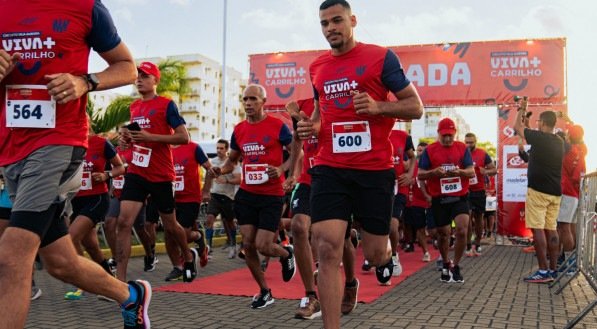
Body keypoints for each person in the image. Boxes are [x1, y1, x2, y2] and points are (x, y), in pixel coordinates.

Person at [0, 1, 152, 328]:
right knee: (60, 262)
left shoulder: (85, 7)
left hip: (59, 142)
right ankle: (131, 296)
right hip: (11, 149)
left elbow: (126, 66)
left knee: (12, 256)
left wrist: (85, 81)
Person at [295, 1, 423, 327]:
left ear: (352, 20)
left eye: (337, 21)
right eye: (324, 23)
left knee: (376, 253)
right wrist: (311, 127)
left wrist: (379, 107)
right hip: (329, 167)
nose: (330, 29)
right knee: (325, 246)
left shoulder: (381, 57)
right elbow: (320, 115)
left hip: (374, 170)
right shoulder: (317, 67)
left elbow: (415, 107)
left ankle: (385, 258)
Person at [115, 61, 200, 284]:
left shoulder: (166, 105)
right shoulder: (134, 107)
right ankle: (120, 282)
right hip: (137, 171)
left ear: (155, 80)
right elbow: (136, 139)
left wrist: (150, 137)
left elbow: (183, 137)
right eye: (137, 75)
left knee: (170, 226)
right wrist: (127, 141)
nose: (139, 79)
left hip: (161, 174)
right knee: (124, 222)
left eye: (145, 75)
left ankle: (188, 255)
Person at [216, 84, 296, 309]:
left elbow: (295, 152)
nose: (248, 103)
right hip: (247, 195)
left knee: (263, 245)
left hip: (271, 194)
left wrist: (281, 169)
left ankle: (284, 253)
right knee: (249, 245)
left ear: (263, 102)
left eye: (253, 99)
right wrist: (221, 169)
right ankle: (264, 291)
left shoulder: (277, 126)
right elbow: (232, 159)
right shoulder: (239, 129)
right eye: (245, 99)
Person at [65, 124, 125, 300]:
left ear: (87, 123)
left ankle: (81, 282)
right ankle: (111, 280)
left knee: (71, 236)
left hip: (96, 198)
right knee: (91, 245)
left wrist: (106, 176)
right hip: (74, 200)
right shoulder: (69, 143)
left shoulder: (101, 143)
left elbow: (121, 167)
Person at [417, 118, 475, 283]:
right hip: (439, 198)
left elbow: (471, 172)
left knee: (462, 229)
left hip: (459, 196)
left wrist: (459, 172)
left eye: (450, 135)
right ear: (438, 134)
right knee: (444, 234)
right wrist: (434, 172)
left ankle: (456, 266)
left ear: (455, 133)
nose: (448, 139)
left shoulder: (462, 148)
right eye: (444, 136)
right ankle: (445, 261)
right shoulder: (430, 150)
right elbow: (420, 174)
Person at [513, 107, 564, 283]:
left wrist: (520, 109)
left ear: (542, 123)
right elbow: (528, 130)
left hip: (538, 191)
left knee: (538, 229)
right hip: (555, 192)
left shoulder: (540, 139)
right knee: (552, 229)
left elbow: (517, 127)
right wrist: (528, 120)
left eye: (538, 122)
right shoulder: (559, 141)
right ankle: (553, 270)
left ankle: (543, 272)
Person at [163, 141, 213, 281]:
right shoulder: (163, 148)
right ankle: (178, 267)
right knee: (168, 234)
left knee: (181, 234)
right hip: (169, 198)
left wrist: (206, 190)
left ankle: (197, 237)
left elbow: (210, 169)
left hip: (190, 198)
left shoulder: (193, 147)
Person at [202, 139, 241, 259]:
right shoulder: (212, 162)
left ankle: (233, 245)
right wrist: (206, 192)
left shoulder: (232, 163)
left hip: (228, 197)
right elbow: (208, 178)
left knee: (229, 223)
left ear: (227, 149)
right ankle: (208, 249)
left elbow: (239, 179)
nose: (219, 150)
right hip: (215, 195)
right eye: (217, 148)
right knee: (209, 220)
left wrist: (227, 180)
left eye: (221, 148)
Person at [556, 122, 586, 269]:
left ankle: (570, 263)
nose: (565, 135)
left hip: (567, 192)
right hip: (574, 193)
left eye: (567, 133)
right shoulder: (581, 149)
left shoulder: (568, 150)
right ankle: (569, 259)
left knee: (564, 227)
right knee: (570, 227)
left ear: (570, 136)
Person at [464, 132, 497, 256]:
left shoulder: (482, 154)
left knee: (479, 218)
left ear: (475, 141)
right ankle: (468, 244)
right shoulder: (462, 153)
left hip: (479, 191)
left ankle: (477, 243)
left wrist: (486, 171)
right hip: (465, 191)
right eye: (466, 142)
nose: (468, 145)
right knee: (467, 218)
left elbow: (494, 170)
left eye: (471, 142)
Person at [404, 142, 433, 262]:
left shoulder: (433, 164)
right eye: (419, 150)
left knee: (435, 230)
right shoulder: (412, 165)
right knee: (420, 228)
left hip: (432, 201)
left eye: (423, 150)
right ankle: (425, 251)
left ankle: (437, 242)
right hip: (416, 202)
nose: (420, 153)